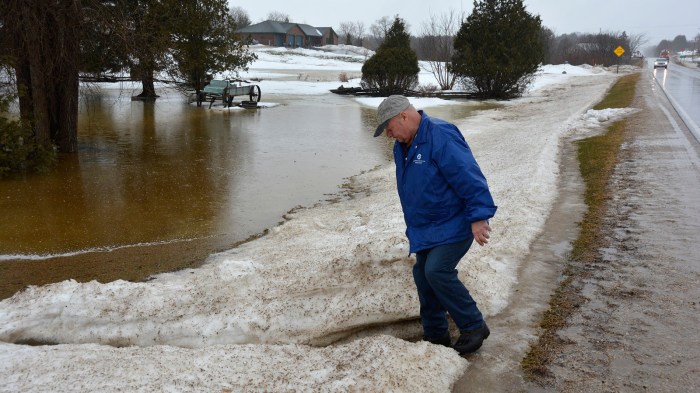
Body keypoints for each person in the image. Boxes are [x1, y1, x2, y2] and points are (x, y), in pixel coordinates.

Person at [374, 95, 497, 355]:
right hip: (425, 226)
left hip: (455, 221)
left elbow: (468, 175)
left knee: (437, 271)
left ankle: (474, 326)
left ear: (403, 117)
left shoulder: (440, 136)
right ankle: (436, 336)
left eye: (389, 126)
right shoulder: (403, 145)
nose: (388, 134)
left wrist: (478, 216)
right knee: (422, 274)